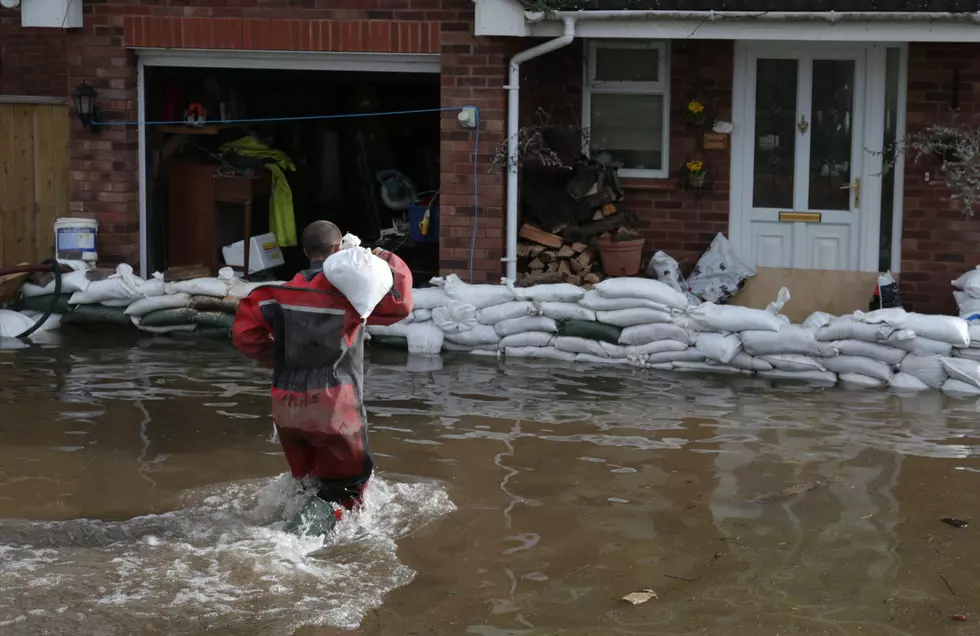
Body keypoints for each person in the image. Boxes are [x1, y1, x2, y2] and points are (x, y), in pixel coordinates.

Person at [232, 220, 413, 535]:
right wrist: (386, 259)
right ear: (338, 250)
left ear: (305, 252)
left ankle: (288, 529)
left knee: (307, 482)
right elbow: (400, 305)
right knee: (348, 488)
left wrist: (275, 360)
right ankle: (285, 545)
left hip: (286, 405)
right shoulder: (353, 299)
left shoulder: (273, 295)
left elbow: (245, 336)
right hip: (335, 407)